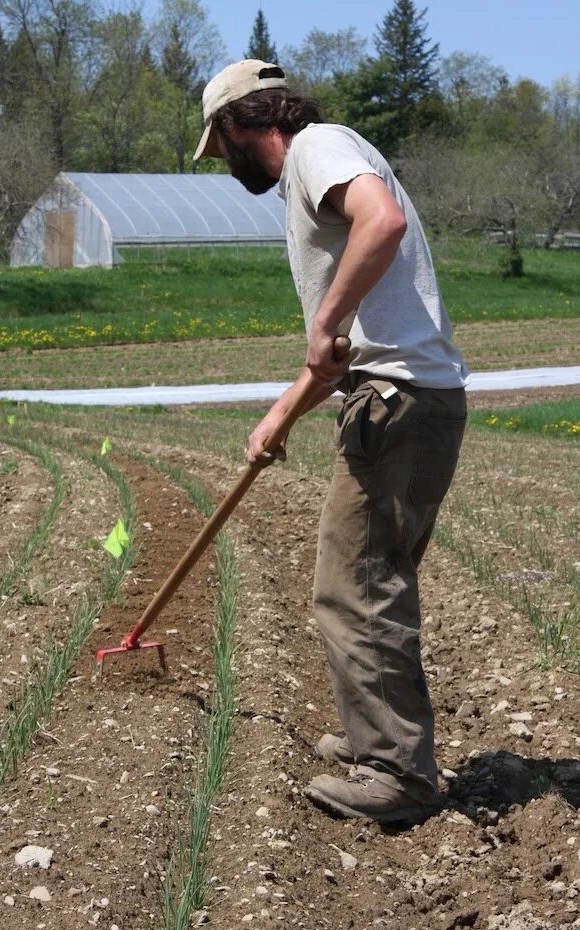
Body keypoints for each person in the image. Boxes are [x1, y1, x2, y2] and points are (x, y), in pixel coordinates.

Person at [194, 60, 469, 824]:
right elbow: (340, 349)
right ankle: (373, 739)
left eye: (220, 146)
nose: (224, 164)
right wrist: (281, 414)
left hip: (395, 406)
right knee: (367, 578)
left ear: (242, 123)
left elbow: (382, 223)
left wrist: (325, 318)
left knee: (355, 587)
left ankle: (396, 775)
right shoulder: (320, 172)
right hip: (404, 399)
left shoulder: (317, 146)